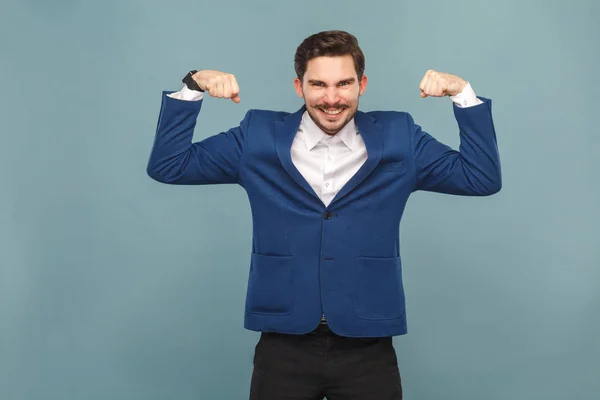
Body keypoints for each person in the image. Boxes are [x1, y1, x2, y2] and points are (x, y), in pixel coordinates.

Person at [146, 30, 501, 400]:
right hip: (283, 341)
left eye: (344, 83)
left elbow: (481, 177)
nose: (332, 99)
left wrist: (463, 93)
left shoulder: (400, 136)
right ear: (299, 87)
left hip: (368, 342)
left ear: (361, 84)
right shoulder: (257, 136)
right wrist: (193, 86)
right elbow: (169, 166)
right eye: (318, 84)